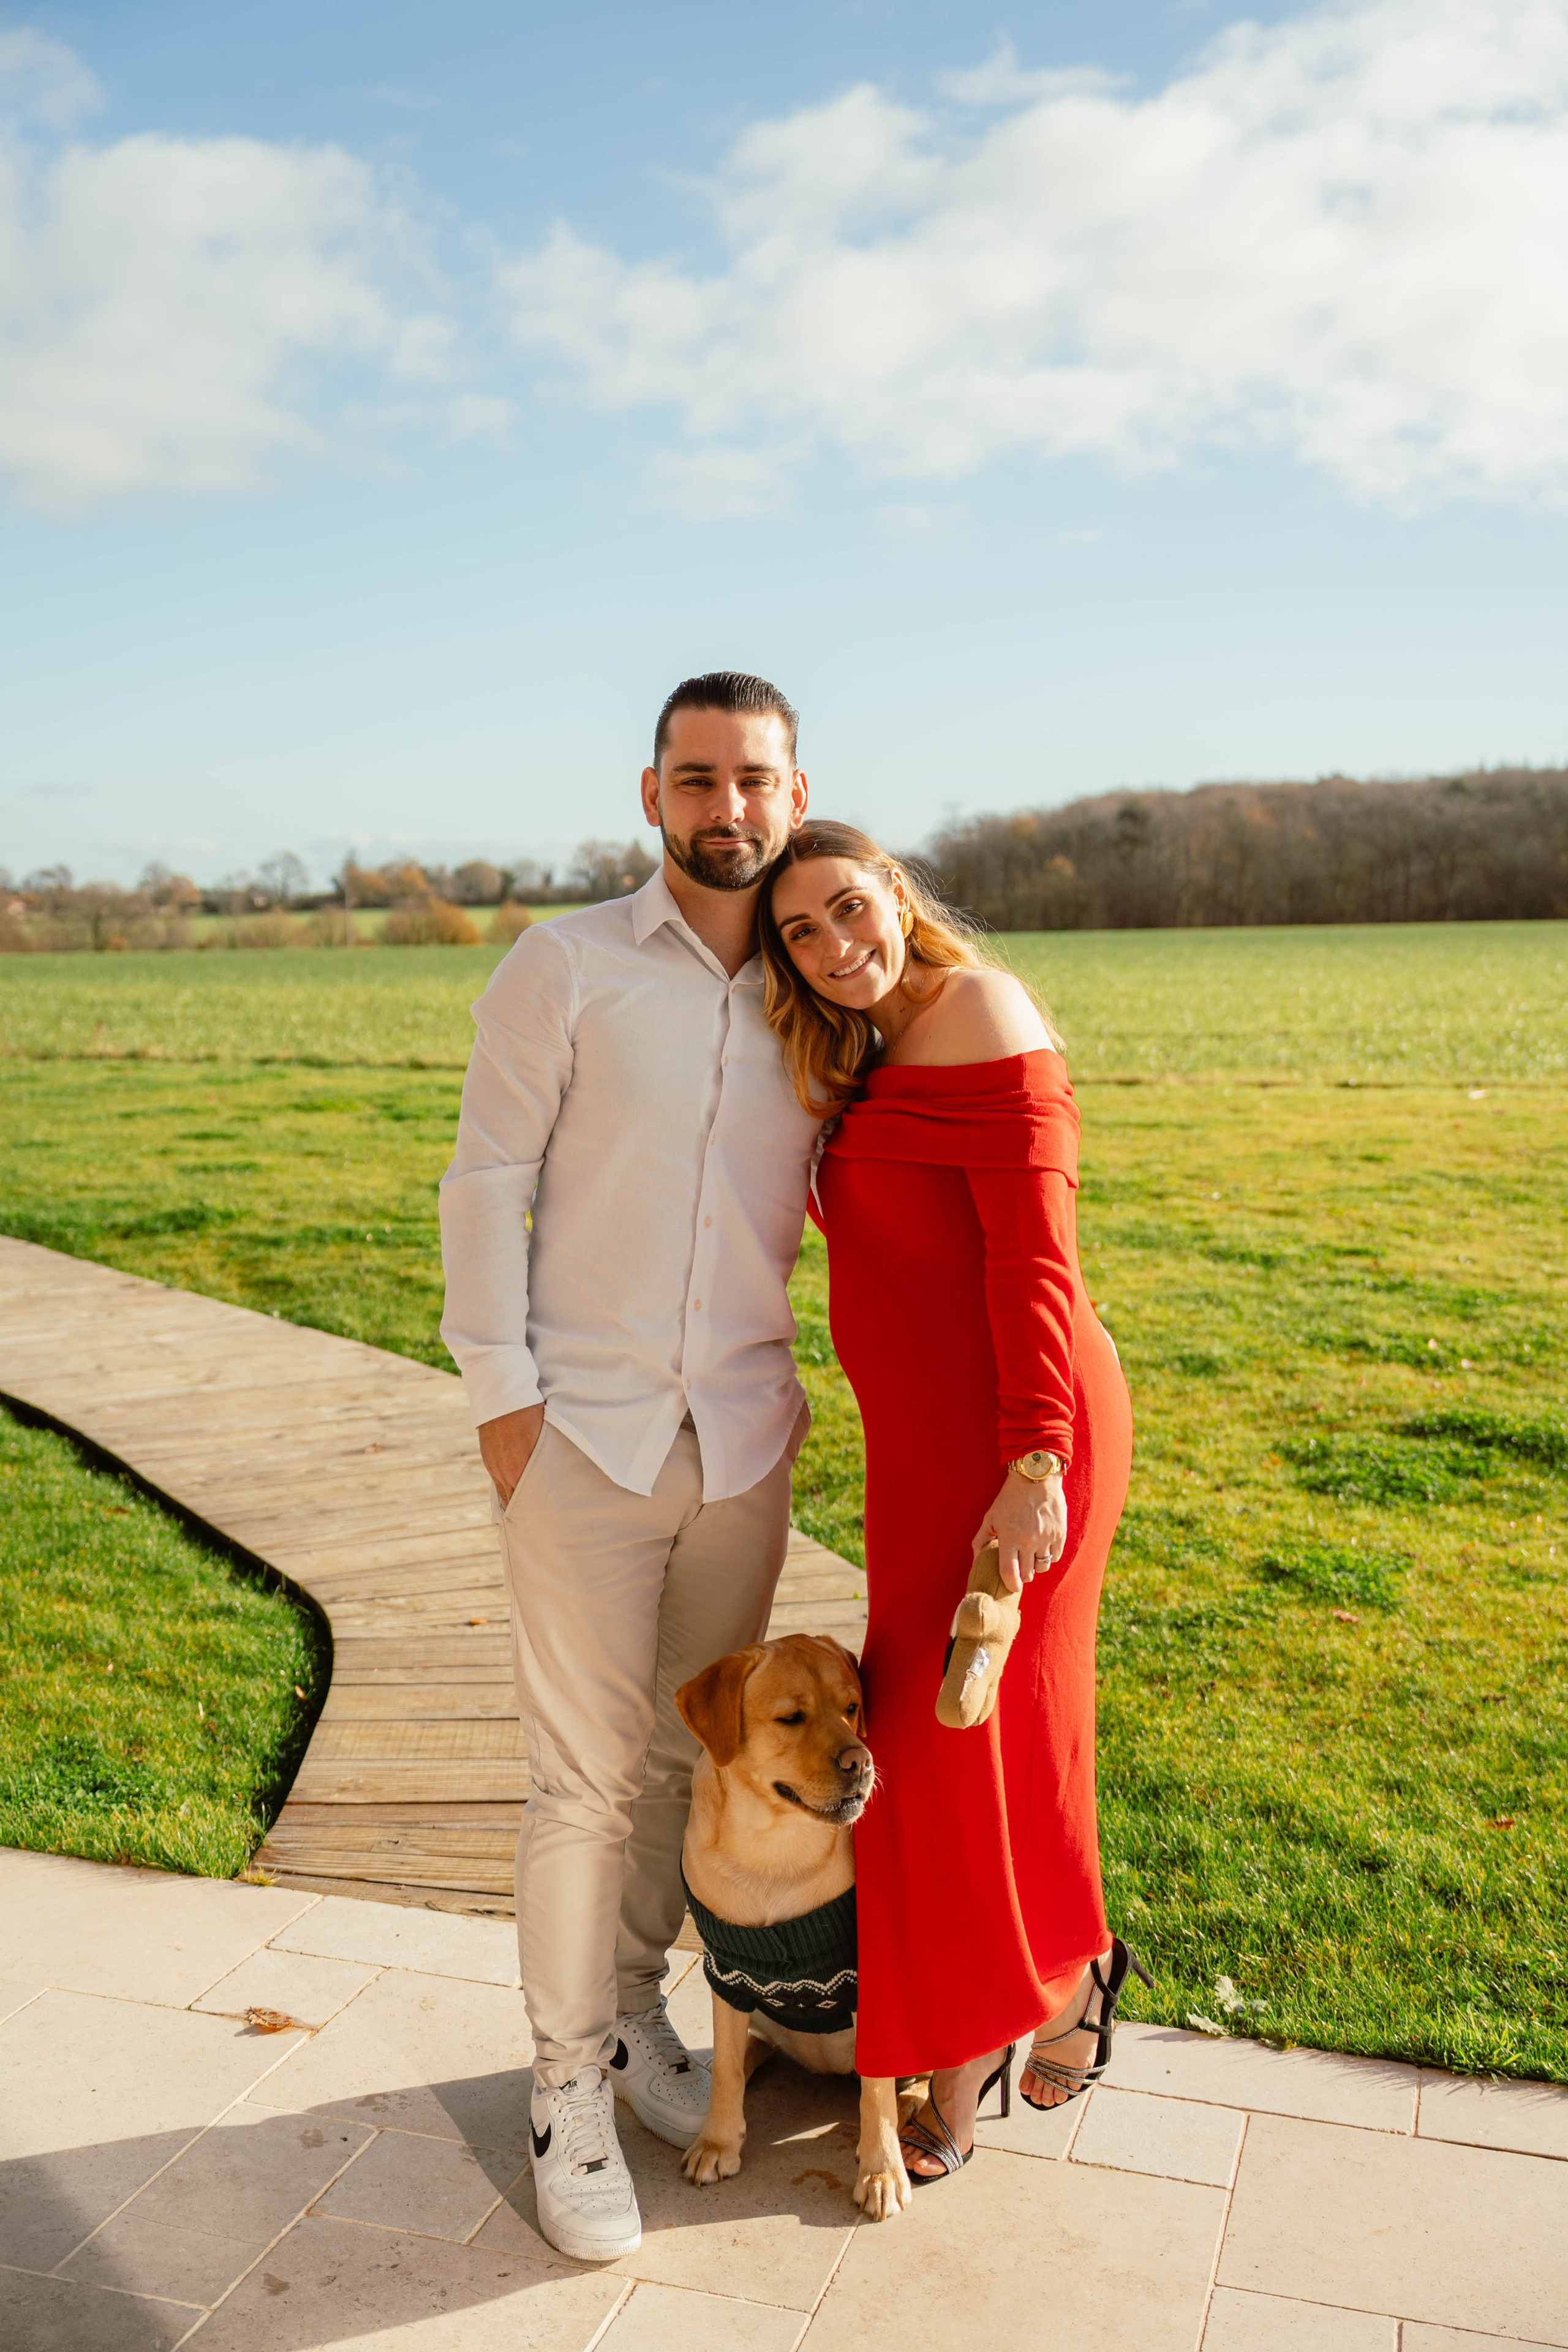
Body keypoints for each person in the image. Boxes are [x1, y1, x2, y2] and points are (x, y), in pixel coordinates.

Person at [439, 673, 820, 2261]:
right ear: (651, 793)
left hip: (741, 1444)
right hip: (579, 1438)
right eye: (699, 778)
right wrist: (504, 1401)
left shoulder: (824, 992)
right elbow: (485, 1183)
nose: (729, 806)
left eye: (756, 781)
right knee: (584, 1783)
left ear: (795, 796)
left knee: (684, 1762)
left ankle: (644, 2021)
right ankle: (563, 2091)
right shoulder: (567, 966)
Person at [758, 818, 1143, 2184]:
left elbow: (1035, 1261)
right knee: (940, 1749)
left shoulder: (979, 1006)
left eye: (846, 910)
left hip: (1018, 1444)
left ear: (896, 896)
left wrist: (1033, 1465)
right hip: (919, 1458)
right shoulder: (859, 1042)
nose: (830, 947)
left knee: (996, 1733)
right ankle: (1046, 1980)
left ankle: (1005, 2026)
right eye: (798, 933)